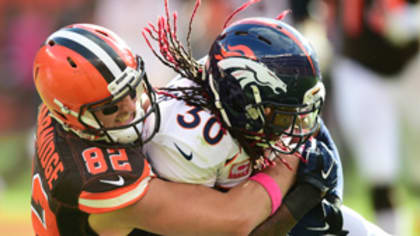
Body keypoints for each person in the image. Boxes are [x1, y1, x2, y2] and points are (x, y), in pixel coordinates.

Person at [30, 23, 337, 236]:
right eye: (111, 108)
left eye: (132, 90)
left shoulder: (67, 104)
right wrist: (294, 162)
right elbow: (238, 221)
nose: (131, 108)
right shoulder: (98, 178)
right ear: (71, 116)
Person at [141, 0, 393, 235]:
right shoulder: (186, 138)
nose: (292, 127)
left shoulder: (227, 79)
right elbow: (227, 227)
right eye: (282, 115)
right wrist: (298, 203)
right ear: (241, 99)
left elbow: (315, 140)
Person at [322, 0, 420, 234]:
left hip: (412, 63)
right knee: (379, 168)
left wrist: (412, 19)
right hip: (360, 66)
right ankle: (392, 232)